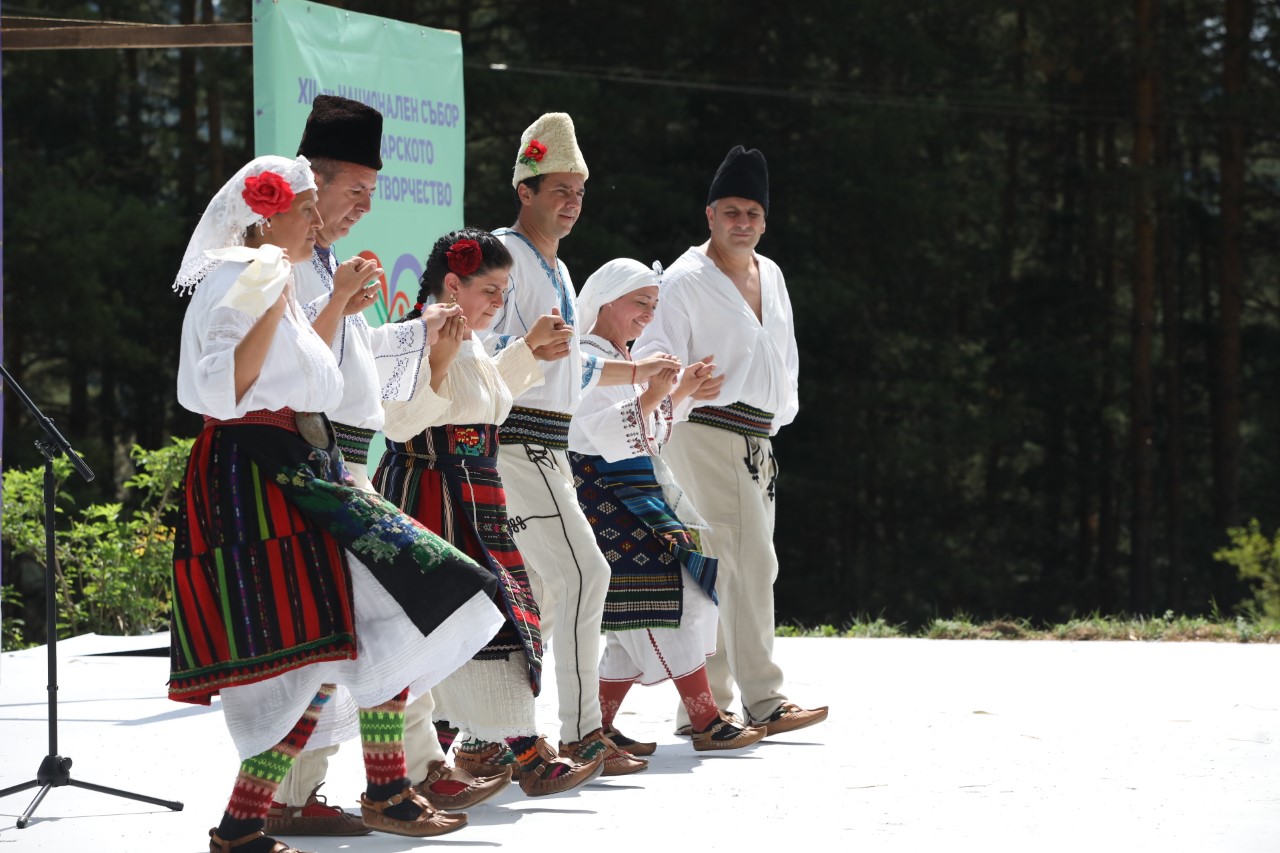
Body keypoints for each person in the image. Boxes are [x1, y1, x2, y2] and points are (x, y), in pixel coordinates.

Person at [170, 154, 506, 853]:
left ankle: (316, 804)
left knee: (362, 630)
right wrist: (271, 292)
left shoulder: (275, 281)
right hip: (256, 477)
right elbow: (220, 385)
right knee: (318, 646)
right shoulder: (239, 277)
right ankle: (262, 819)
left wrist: (317, 305)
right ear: (266, 217)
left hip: (301, 467)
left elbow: (313, 376)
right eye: (306, 210)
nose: (318, 222)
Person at [270, 96, 508, 837]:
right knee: (383, 623)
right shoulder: (277, 262)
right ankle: (382, 785)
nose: (363, 210)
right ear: (315, 181)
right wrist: (343, 304)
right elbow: (282, 369)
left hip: (346, 465)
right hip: (312, 467)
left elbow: (345, 363)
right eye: (355, 194)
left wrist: (410, 336)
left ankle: (295, 799)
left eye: (372, 195)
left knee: (352, 637)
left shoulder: (324, 261)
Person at [373, 228, 606, 795]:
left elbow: (483, 400)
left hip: (474, 493)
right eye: (491, 291)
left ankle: (475, 752)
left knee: (486, 618)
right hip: (430, 494)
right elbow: (400, 423)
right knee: (459, 622)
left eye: (504, 292)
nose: (498, 304)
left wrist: (527, 353)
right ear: (453, 283)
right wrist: (436, 361)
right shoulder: (417, 334)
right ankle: (506, 755)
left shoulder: (470, 337)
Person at [481, 113, 675, 775]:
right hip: (515, 445)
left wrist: (640, 370)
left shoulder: (557, 271)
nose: (571, 201)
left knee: (535, 590)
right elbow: (479, 349)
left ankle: (486, 736)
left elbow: (576, 367)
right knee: (584, 573)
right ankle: (584, 729)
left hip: (546, 449)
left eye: (579, 191)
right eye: (559, 187)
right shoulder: (501, 259)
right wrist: (526, 349)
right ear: (524, 189)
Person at [633, 146, 828, 737]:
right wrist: (681, 390)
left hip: (755, 438)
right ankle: (753, 699)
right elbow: (653, 354)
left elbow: (785, 354)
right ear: (709, 215)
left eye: (753, 213)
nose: (743, 222)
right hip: (704, 430)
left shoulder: (772, 274)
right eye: (731, 211)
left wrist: (778, 417)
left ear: (765, 220)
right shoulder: (685, 279)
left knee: (742, 565)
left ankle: (708, 706)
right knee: (735, 564)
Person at [568, 258, 766, 753]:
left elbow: (648, 434)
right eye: (641, 303)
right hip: (607, 496)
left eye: (654, 306)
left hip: (636, 492)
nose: (648, 316)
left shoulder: (620, 356)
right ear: (609, 299)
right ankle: (705, 720)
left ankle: (601, 725)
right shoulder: (587, 358)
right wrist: (657, 393)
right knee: (672, 599)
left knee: (643, 614)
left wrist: (681, 394)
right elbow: (600, 435)